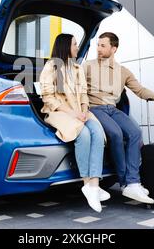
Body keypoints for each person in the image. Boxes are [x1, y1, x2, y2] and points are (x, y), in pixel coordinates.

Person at [83, 32, 154, 204]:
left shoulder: (123, 72)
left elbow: (140, 90)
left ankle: (133, 183)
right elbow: (76, 88)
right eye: (97, 45)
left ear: (113, 49)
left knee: (136, 132)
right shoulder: (87, 66)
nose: (98, 49)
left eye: (103, 46)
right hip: (95, 108)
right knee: (115, 134)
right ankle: (125, 182)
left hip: (113, 110)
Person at [40, 33, 109, 213]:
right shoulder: (53, 66)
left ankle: (94, 184)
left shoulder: (77, 68)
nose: (77, 47)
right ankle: (87, 182)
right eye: (75, 44)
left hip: (79, 112)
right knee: (83, 133)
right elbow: (48, 97)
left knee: (97, 131)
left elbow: (84, 94)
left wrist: (85, 110)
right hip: (59, 112)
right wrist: (73, 113)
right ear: (65, 47)